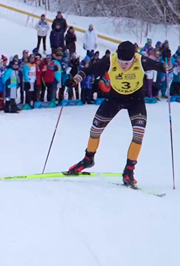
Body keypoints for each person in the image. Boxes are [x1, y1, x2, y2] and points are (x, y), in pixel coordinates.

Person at [66, 41, 168, 186]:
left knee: (139, 134)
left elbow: (163, 68)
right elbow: (90, 70)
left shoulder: (141, 60)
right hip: (115, 98)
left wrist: (167, 63)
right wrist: (76, 79)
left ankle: (129, 169)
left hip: (136, 100)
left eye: (127, 63)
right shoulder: (110, 60)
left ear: (133, 57)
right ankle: (88, 159)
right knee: (95, 129)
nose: (123, 66)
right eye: (121, 62)